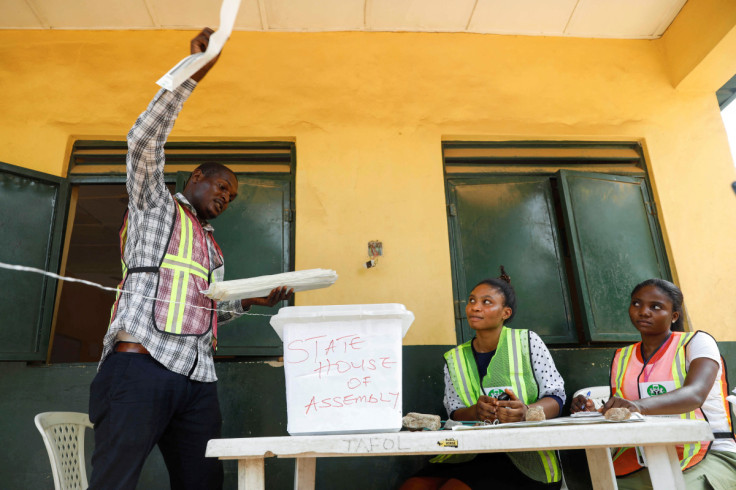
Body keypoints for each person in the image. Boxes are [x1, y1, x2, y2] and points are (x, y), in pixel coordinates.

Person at [88, 28, 293, 490]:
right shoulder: (155, 207)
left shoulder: (213, 246)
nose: (226, 198)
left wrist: (253, 302)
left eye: (233, 197)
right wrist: (188, 77)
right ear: (196, 177)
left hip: (198, 379)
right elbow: (142, 142)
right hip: (140, 365)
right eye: (221, 187)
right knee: (114, 482)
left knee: (202, 483)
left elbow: (206, 307)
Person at [401, 268, 566, 490]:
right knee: (413, 486)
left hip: (525, 456)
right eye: (472, 300)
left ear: (505, 313)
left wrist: (527, 411)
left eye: (487, 302)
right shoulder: (455, 357)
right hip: (471, 451)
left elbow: (556, 396)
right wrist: (476, 412)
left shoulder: (528, 341)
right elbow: (455, 412)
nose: (475, 307)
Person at [571, 278, 736, 489]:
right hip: (643, 455)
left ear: (674, 315)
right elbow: (625, 410)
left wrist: (639, 406)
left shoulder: (697, 342)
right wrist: (595, 410)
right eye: (637, 304)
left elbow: (695, 394)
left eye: (655, 307)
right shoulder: (622, 357)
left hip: (709, 450)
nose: (643, 311)